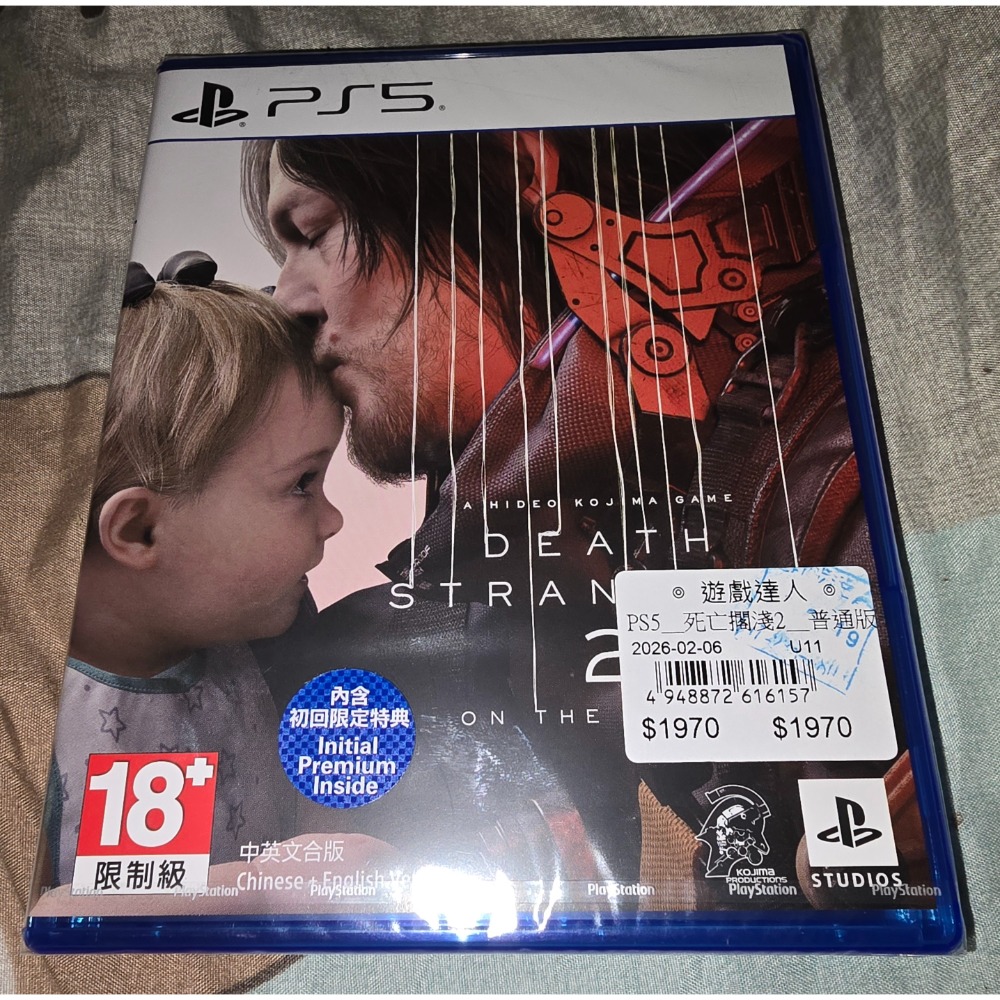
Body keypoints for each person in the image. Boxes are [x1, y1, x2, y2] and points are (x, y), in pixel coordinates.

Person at [243, 125, 917, 908]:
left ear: (514, 169)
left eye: (315, 231)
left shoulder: (861, 487)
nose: (287, 297)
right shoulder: (458, 595)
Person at [44, 253, 345, 887]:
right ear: (140, 530)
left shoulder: (278, 652)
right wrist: (265, 894)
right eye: (301, 483)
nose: (334, 520)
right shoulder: (26, 723)